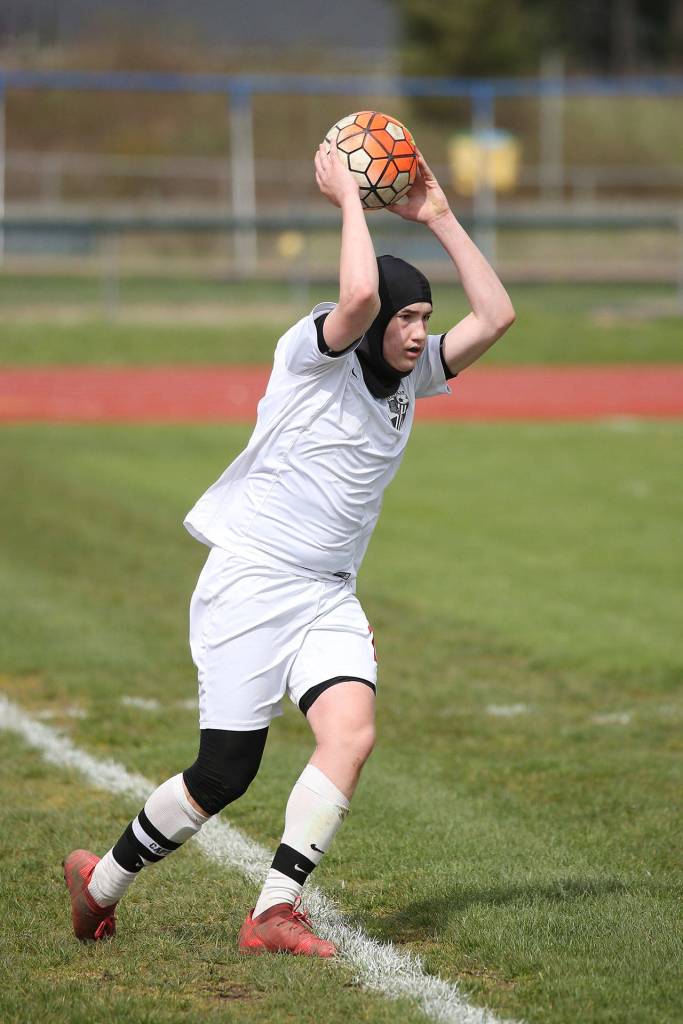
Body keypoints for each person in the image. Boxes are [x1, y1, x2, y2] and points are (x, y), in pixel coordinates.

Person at [63, 137, 515, 955]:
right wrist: (349, 198)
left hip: (327, 591)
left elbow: (498, 316)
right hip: (251, 580)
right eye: (405, 318)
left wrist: (441, 216)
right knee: (222, 776)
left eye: (423, 319)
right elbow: (354, 295)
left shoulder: (411, 378)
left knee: (351, 732)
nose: (418, 332)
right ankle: (99, 886)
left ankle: (273, 910)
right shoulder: (312, 356)